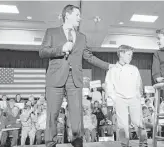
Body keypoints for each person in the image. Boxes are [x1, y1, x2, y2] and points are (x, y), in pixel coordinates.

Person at [39, 4, 114, 147]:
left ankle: (77, 141)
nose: (80, 18)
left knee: (76, 114)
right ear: (67, 15)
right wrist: (60, 49)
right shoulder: (52, 32)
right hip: (55, 78)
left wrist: (108, 66)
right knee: (52, 114)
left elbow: (89, 57)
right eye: (77, 15)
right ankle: (50, 143)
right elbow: (42, 51)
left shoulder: (81, 37)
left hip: (75, 79)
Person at [105, 45, 148, 147]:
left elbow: (139, 84)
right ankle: (125, 144)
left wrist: (138, 95)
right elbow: (109, 86)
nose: (130, 57)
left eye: (131, 55)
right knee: (122, 125)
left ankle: (144, 143)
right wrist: (115, 99)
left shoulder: (134, 69)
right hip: (120, 99)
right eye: (129, 54)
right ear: (121, 54)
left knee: (138, 122)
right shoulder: (112, 70)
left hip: (134, 99)